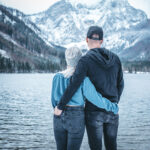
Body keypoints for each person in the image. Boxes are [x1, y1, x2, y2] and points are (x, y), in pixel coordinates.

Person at [55, 26, 124, 150]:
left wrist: (60, 106)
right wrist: (114, 103)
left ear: (86, 39)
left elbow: (74, 84)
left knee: (95, 147)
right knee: (112, 146)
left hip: (93, 113)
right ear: (101, 41)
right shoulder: (116, 59)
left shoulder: (85, 60)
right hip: (113, 112)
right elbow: (120, 84)